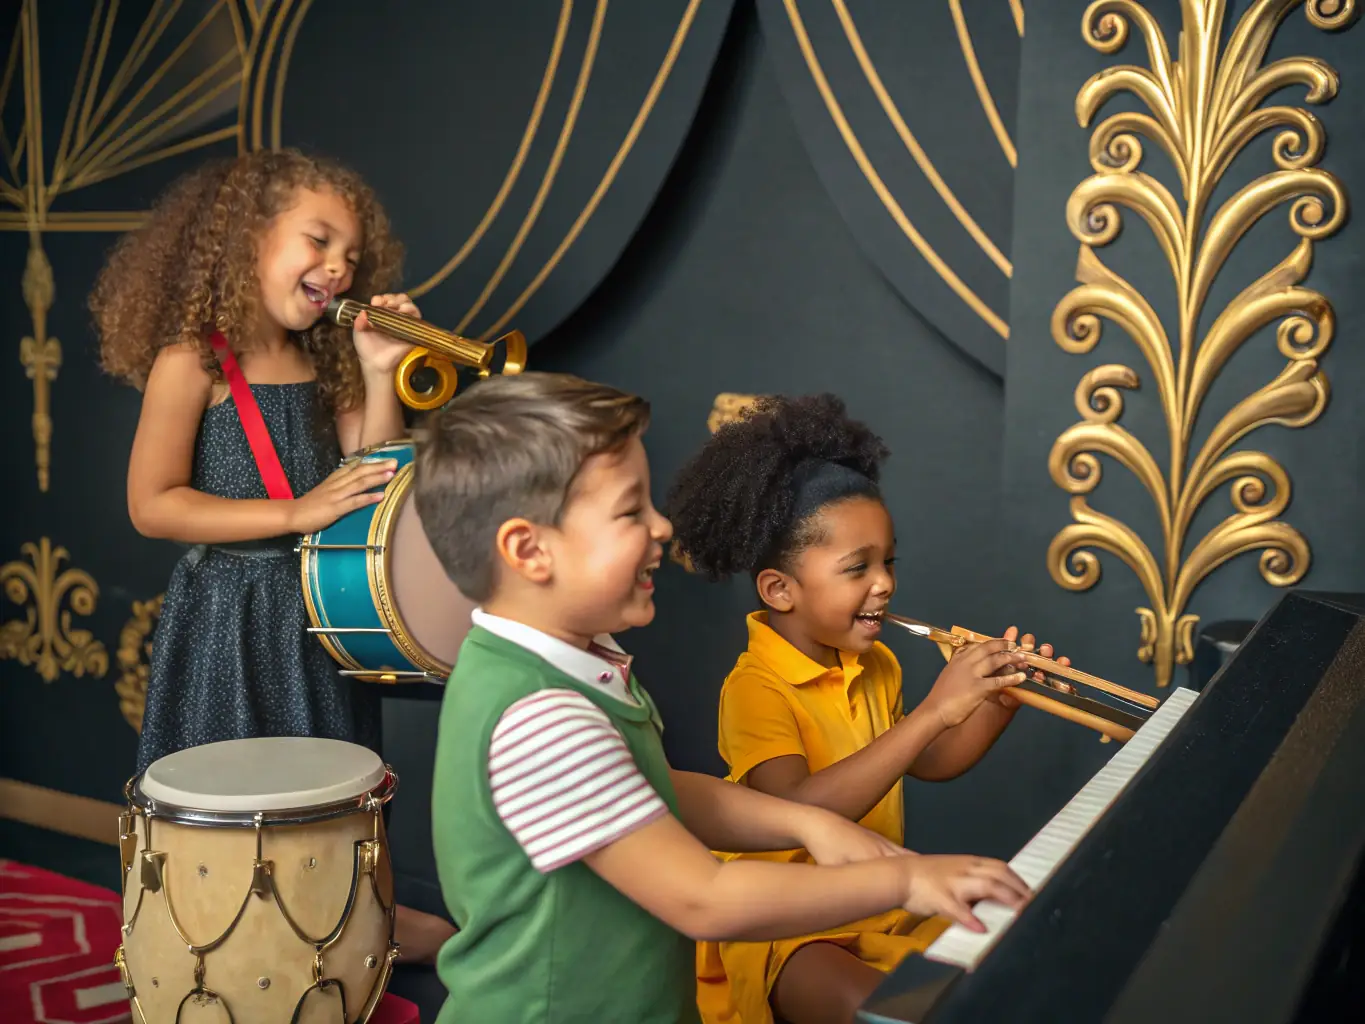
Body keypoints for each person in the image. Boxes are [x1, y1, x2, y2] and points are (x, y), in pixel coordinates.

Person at [411, 372, 1031, 1024]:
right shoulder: (542, 718)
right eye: (630, 510)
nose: (660, 525)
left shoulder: (558, 670)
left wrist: (805, 824)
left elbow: (653, 787)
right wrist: (906, 879)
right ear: (529, 550)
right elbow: (704, 897)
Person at [93, 147, 453, 962]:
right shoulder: (192, 362)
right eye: (318, 241)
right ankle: (231, 947)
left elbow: (374, 479)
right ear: (245, 240)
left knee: (333, 777)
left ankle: (355, 922)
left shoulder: (328, 366)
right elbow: (152, 505)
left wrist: (379, 370)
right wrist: (296, 509)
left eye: (351, 258)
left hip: (317, 613)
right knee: (238, 783)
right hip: (230, 613)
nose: (337, 266)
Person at [667, 393, 1066, 1024]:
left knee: (1002, 979)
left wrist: (996, 701)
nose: (884, 583)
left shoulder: (875, 662)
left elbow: (929, 761)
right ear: (780, 589)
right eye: (858, 568)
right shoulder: (755, 685)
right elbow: (795, 810)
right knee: (892, 1015)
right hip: (789, 925)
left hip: (877, 906)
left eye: (888, 562)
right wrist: (935, 710)